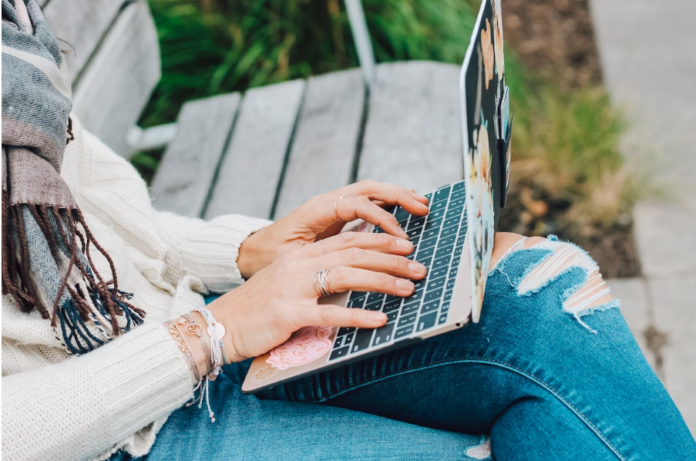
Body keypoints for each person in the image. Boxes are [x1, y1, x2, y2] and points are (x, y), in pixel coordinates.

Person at [2, 1, 695, 460]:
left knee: (543, 298)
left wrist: (249, 250)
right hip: (117, 430)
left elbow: (90, 202)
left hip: (166, 332)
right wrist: (212, 335)